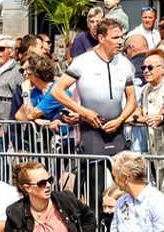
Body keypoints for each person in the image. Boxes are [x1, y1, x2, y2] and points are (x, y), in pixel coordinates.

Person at [51, 18, 137, 156]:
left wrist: (120, 120)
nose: (120, 41)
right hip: (91, 129)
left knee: (123, 176)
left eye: (121, 37)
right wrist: (84, 112)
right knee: (96, 175)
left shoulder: (124, 63)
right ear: (101, 38)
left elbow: (132, 98)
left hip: (117, 129)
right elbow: (56, 91)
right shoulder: (83, 61)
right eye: (115, 38)